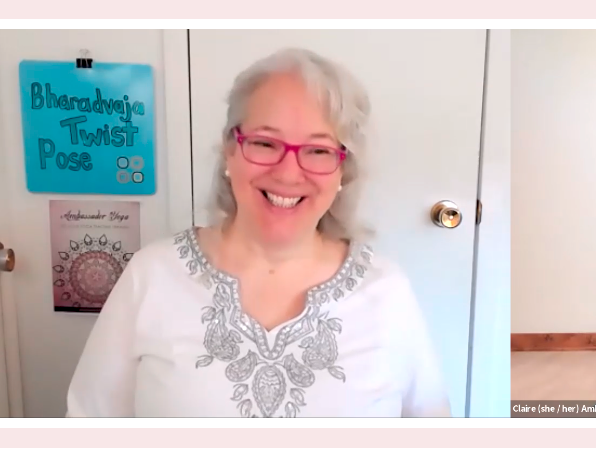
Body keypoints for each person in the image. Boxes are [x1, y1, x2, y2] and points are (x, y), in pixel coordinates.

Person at [66, 48, 451, 418]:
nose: (287, 173)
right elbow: (87, 419)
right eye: (265, 143)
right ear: (230, 152)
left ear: (341, 170)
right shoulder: (151, 275)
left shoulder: (386, 291)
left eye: (317, 151)